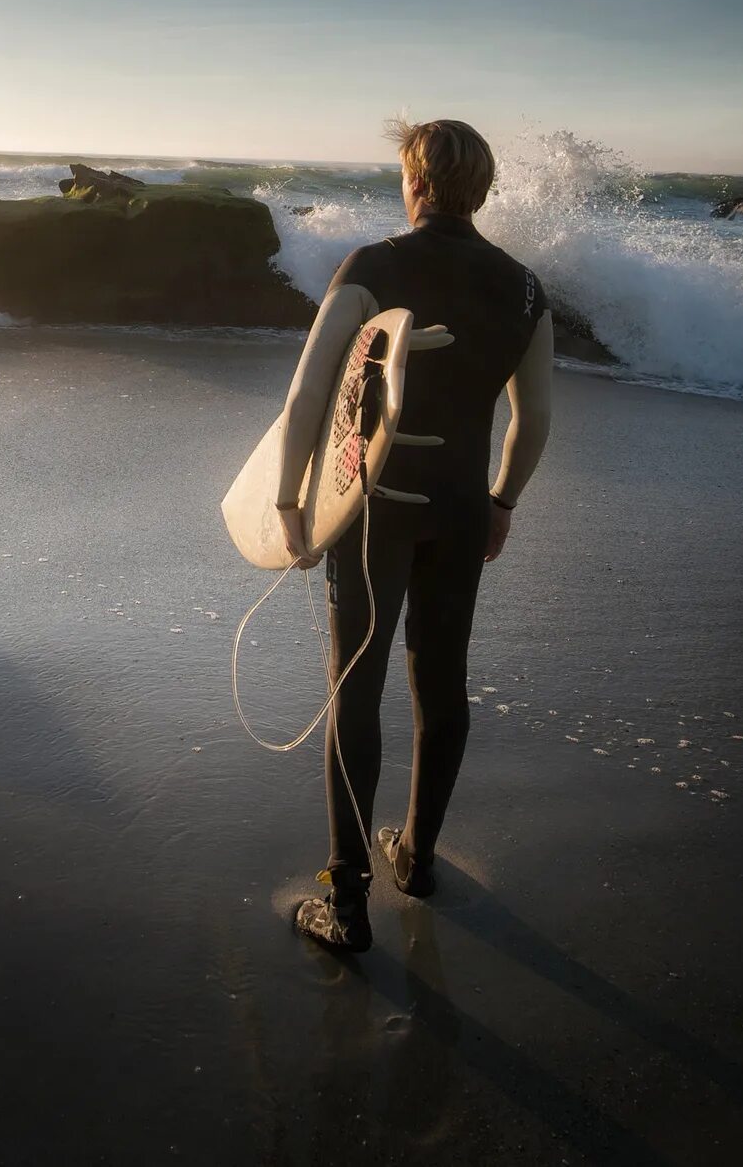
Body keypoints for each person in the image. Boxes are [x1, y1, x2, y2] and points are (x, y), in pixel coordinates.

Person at [277, 117, 554, 952]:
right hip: (463, 509)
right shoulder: (526, 288)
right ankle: (419, 857)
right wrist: (502, 502)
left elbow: (306, 399)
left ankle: (346, 900)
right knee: (442, 684)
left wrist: (293, 510)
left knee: (355, 689)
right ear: (483, 188)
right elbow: (531, 419)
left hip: (378, 511)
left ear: (417, 182)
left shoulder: (373, 266)